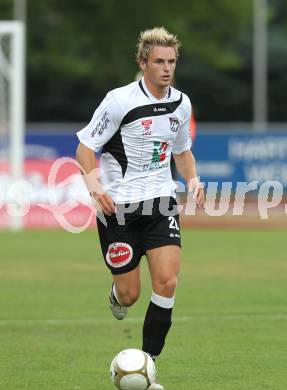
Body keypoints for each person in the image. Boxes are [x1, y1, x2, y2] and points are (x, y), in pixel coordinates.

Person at [76, 26, 204, 390]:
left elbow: (181, 150)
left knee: (167, 282)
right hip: (117, 209)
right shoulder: (118, 101)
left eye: (172, 62)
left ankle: (149, 367)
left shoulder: (182, 103)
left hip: (161, 203)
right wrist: (94, 186)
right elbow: (85, 149)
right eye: (159, 61)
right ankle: (117, 294)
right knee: (130, 294)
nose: (167, 68)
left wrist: (192, 179)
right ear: (143, 63)